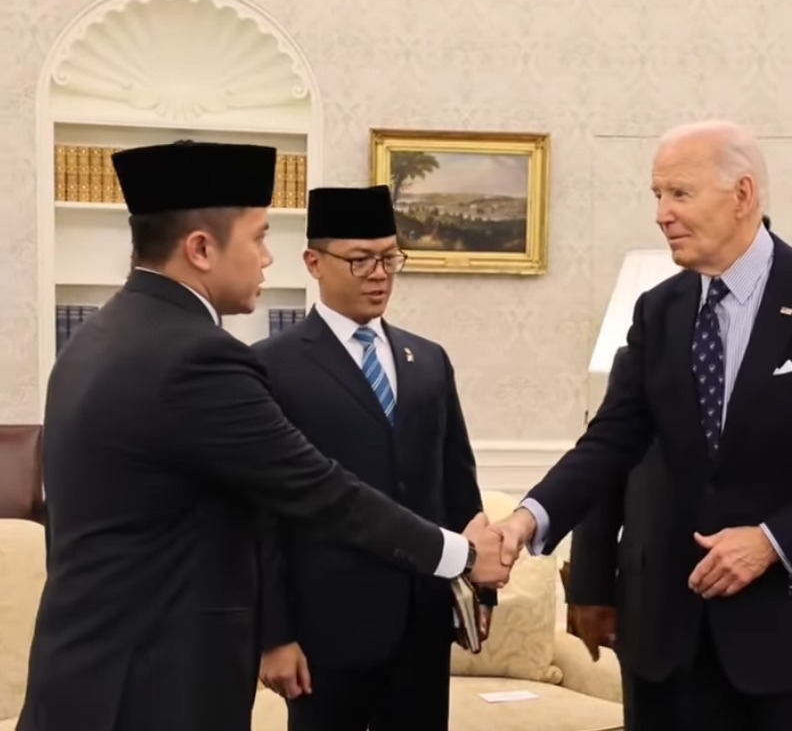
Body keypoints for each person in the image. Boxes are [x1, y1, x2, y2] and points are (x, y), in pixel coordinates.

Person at [16, 142, 510, 731]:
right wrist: (463, 554)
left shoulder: (95, 339)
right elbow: (321, 491)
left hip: (85, 678)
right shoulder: (197, 357)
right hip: (152, 688)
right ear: (201, 249)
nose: (266, 259)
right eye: (257, 238)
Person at [495, 120, 792, 731]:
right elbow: (610, 441)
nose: (662, 214)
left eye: (679, 194)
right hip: (669, 645)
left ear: (742, 196)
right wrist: (528, 518)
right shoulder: (660, 310)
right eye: (656, 195)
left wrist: (772, 540)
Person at [251, 185, 496, 731]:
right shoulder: (270, 367)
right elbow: (263, 515)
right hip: (325, 630)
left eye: (390, 257)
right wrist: (274, 634)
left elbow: (458, 485)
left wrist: (477, 589)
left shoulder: (428, 361)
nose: (379, 273)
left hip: (422, 621)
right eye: (360, 259)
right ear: (314, 262)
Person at [566, 347, 669, 731]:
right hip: (651, 605)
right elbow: (603, 472)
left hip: (764, 604)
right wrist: (591, 590)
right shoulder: (640, 356)